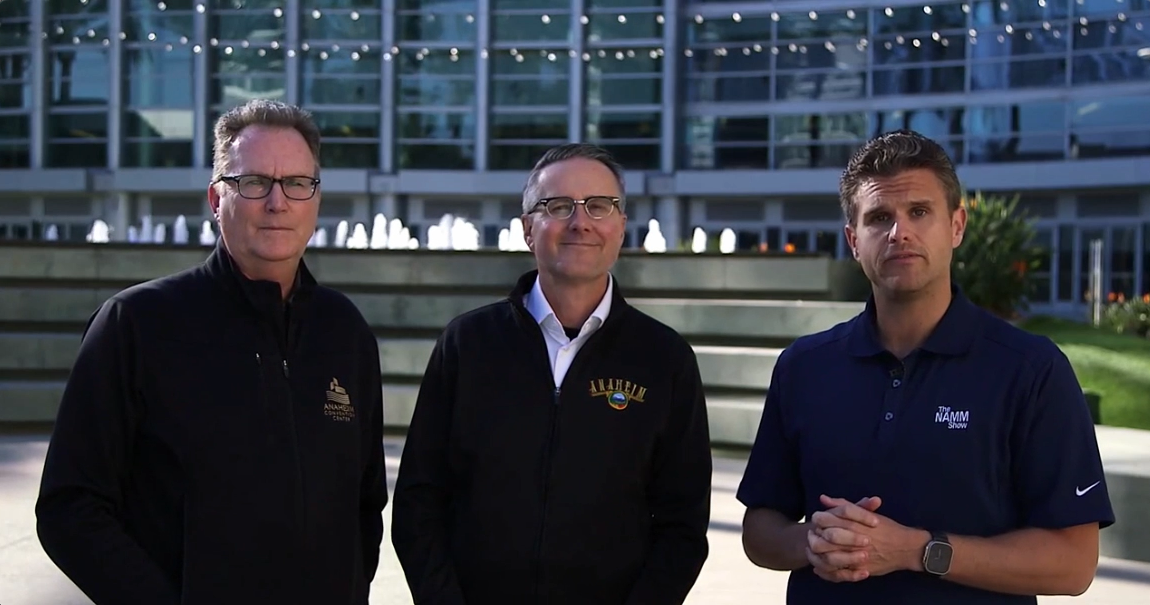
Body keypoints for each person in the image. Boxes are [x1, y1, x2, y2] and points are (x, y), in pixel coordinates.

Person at [737, 129, 1115, 604]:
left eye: (919, 211)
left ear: (956, 226)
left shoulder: (1031, 370)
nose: (900, 232)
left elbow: (1073, 564)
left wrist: (918, 551)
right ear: (854, 241)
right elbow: (759, 530)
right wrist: (811, 542)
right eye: (879, 218)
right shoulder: (804, 367)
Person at [35, 99, 388, 605]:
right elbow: (70, 508)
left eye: (296, 183)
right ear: (215, 199)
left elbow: (365, 502)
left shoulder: (345, 332)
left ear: (315, 198)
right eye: (253, 182)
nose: (277, 202)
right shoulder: (137, 324)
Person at [391, 143, 712, 604]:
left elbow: (683, 525)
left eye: (599, 207)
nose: (580, 222)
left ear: (621, 227)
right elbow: (419, 501)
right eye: (557, 206)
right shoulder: (467, 344)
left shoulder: (664, 359)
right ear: (527, 229)